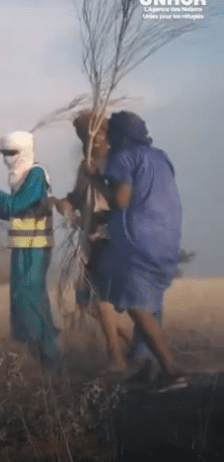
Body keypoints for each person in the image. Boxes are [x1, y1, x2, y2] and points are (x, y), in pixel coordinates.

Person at [92, 111, 186, 391]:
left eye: (111, 133)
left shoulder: (123, 157)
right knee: (150, 302)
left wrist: (94, 179)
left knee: (136, 304)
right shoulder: (160, 156)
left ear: (120, 135)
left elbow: (120, 200)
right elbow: (146, 198)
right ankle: (146, 368)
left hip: (139, 241)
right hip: (167, 237)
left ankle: (171, 371)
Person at [53, 112, 136, 373]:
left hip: (108, 239)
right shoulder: (84, 166)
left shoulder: (116, 161)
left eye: (99, 134)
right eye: (87, 136)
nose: (94, 140)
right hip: (88, 242)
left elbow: (122, 200)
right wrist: (61, 204)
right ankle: (133, 342)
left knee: (101, 299)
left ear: (106, 133)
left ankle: (117, 358)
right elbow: (76, 198)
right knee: (83, 300)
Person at [0, 131, 61, 371]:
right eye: (4, 153)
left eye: (12, 153)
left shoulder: (35, 174)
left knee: (29, 300)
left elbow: (17, 205)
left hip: (34, 248)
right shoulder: (21, 178)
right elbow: (14, 210)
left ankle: (49, 360)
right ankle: (45, 360)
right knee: (25, 301)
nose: (7, 159)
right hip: (24, 247)